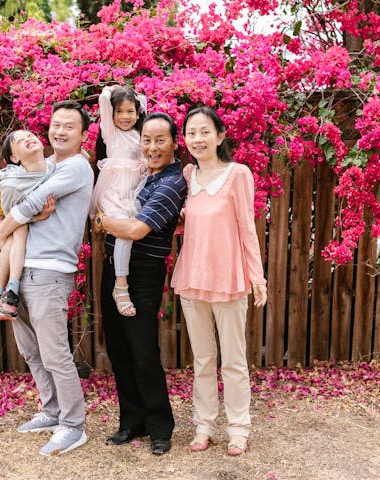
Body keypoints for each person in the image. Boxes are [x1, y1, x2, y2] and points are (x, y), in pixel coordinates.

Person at [0, 101, 93, 456]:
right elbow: (7, 194)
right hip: (21, 270)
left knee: (55, 354)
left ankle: (73, 425)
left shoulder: (77, 167)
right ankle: (51, 411)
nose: (60, 131)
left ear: (83, 134)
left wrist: (3, 229)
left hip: (50, 271)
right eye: (55, 124)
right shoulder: (45, 164)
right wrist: (0, 222)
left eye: (70, 126)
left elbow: (32, 200)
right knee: (32, 351)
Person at [171, 105, 268, 457]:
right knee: (203, 359)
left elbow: (247, 227)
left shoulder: (237, 174)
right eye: (191, 132)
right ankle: (204, 425)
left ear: (220, 136)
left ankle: (238, 428)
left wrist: (257, 276)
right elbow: (186, 223)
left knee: (234, 360)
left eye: (204, 131)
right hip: (192, 278)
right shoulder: (185, 175)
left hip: (228, 278)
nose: (197, 138)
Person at [93, 112, 187, 455]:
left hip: (142, 273)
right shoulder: (141, 176)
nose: (151, 147)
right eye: (146, 139)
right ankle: (132, 421)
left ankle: (161, 426)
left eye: (160, 140)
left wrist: (103, 220)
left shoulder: (171, 183)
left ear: (175, 143)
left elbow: (135, 230)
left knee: (143, 352)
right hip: (113, 268)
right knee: (118, 348)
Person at [0, 131, 53, 321]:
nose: (28, 139)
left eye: (30, 135)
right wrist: (38, 218)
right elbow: (12, 217)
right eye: (20, 141)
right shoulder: (13, 185)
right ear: (14, 157)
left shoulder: (50, 167)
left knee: (18, 233)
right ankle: (7, 290)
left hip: (14, 213)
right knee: (19, 232)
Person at [91, 85, 148, 317]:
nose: (125, 117)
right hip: (113, 190)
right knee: (125, 230)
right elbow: (104, 100)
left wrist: (140, 100)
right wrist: (113, 89)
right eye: (120, 112)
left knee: (132, 229)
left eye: (131, 111)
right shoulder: (111, 134)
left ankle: (122, 280)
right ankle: (120, 284)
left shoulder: (140, 135)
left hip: (132, 191)